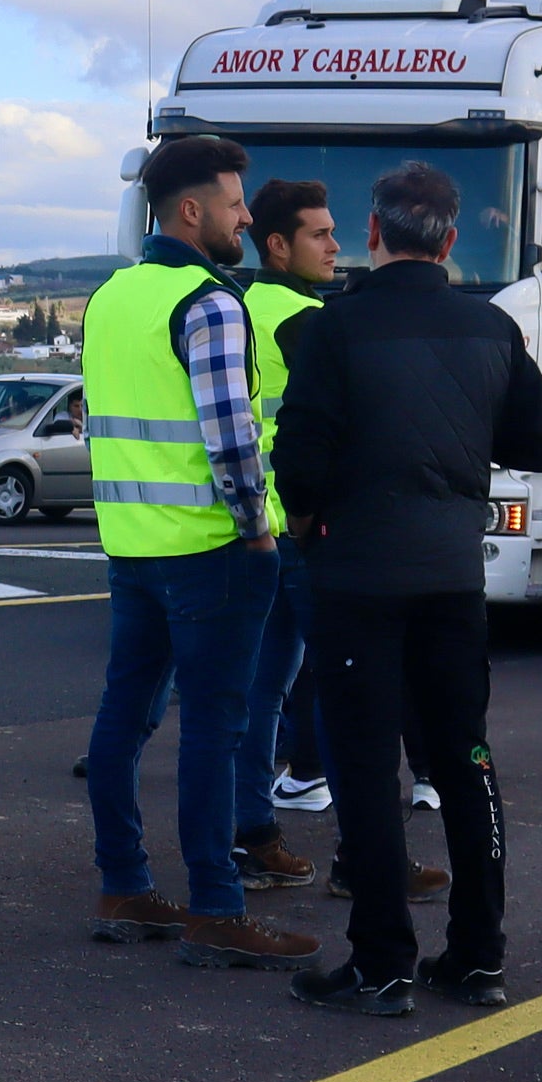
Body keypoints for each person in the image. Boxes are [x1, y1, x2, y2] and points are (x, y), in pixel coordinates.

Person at [271, 161, 542, 1016]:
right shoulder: (490, 330)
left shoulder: (335, 328)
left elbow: (300, 459)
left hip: (359, 575)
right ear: (449, 239)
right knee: (465, 758)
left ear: (373, 232)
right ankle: (479, 956)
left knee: (365, 770)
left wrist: (311, 514)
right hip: (450, 576)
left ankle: (382, 963)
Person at [79, 136, 302, 959]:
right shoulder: (210, 301)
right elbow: (232, 438)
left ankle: (125, 886)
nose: (248, 215)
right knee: (217, 725)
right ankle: (216, 905)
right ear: (191, 210)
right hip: (211, 551)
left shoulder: (110, 299)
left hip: (131, 545)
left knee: (124, 715)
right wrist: (258, 528)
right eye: (236, 202)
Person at [239, 181, 335, 885]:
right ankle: (363, 857)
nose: (337, 247)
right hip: (301, 525)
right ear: (278, 245)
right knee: (343, 680)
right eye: (320, 235)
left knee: (261, 691)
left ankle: (253, 832)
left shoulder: (238, 306)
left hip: (252, 530)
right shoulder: (303, 319)